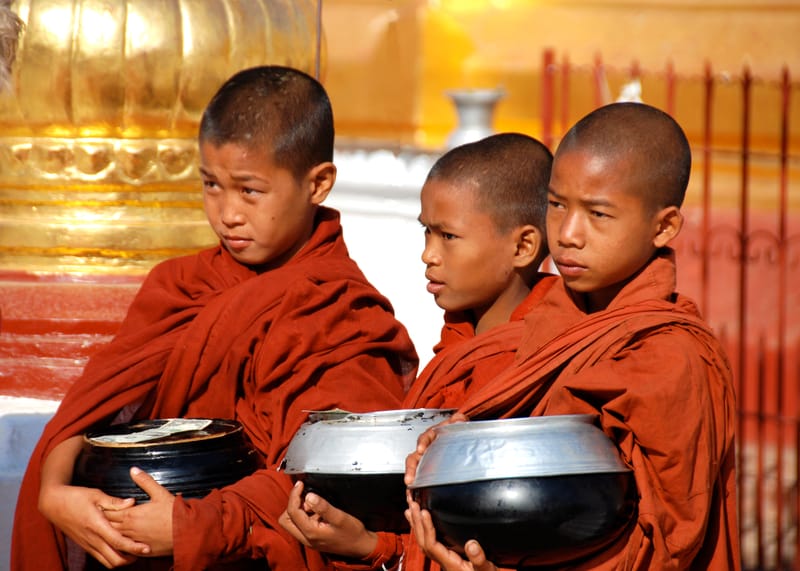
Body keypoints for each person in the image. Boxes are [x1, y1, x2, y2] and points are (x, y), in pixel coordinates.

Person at [11, 65, 418, 571]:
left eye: (249, 191)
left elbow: (330, 474)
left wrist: (190, 527)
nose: (227, 213)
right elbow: (95, 402)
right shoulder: (179, 286)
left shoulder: (338, 309)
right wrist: (54, 491)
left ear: (318, 184)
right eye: (211, 185)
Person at [404, 102, 740, 570]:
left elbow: (666, 541)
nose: (567, 234)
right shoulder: (546, 321)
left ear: (663, 227)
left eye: (598, 215)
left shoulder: (669, 354)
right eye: (557, 205)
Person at [279, 132, 557, 570]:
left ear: (523, 246)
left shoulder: (552, 354)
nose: (428, 254)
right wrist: (368, 545)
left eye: (448, 236)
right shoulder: (459, 348)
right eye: (426, 231)